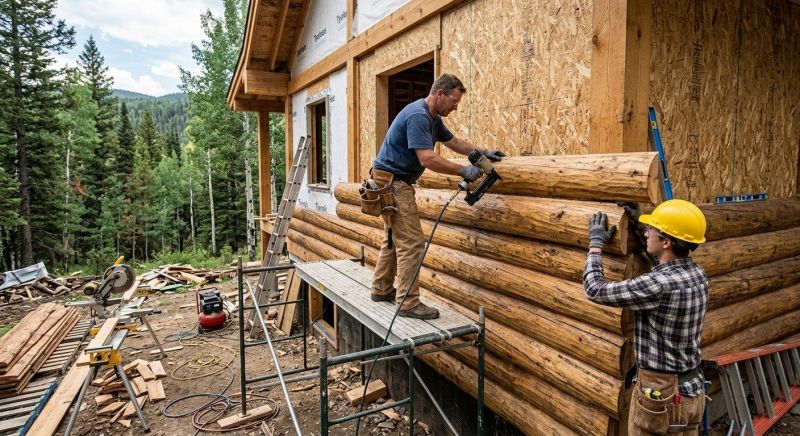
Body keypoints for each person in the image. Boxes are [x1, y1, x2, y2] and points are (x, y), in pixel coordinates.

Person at [369, 73, 505, 320]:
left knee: (393, 237)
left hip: (389, 180)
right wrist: (462, 170)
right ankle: (408, 303)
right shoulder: (419, 115)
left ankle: (381, 289)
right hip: (392, 183)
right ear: (439, 94)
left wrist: (482, 152)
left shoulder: (432, 118)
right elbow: (427, 158)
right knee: (412, 242)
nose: (455, 107)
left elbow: (454, 142)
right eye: (454, 101)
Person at [582, 199, 709, 435]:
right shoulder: (697, 274)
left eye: (653, 230)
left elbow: (595, 289)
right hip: (692, 392)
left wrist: (596, 244)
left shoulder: (657, 286)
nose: (648, 232)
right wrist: (641, 229)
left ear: (667, 242)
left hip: (661, 397)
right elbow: (664, 267)